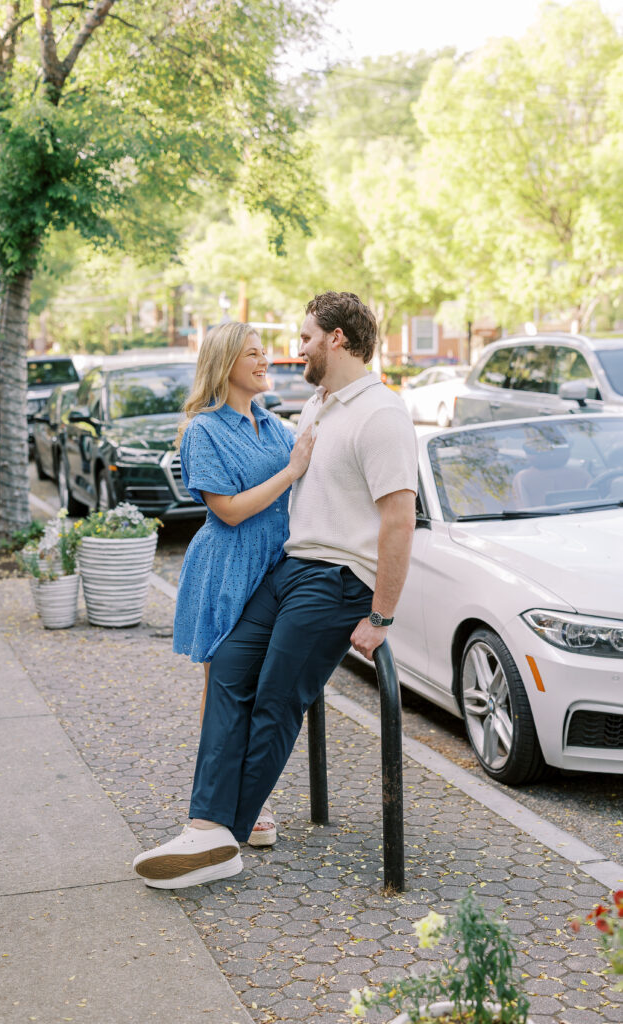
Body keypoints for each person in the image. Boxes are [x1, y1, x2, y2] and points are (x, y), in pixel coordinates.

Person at [133, 291, 417, 889]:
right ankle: (207, 825)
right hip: (289, 568)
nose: (297, 349)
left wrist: (382, 616)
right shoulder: (313, 408)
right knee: (230, 671)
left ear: (338, 338)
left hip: (339, 577)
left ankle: (222, 837)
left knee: (276, 698)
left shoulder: (381, 415)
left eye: (307, 337)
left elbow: (399, 521)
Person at [171, 321, 315, 845]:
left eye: (264, 352)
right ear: (225, 363)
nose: (265, 361)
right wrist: (291, 471)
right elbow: (228, 512)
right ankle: (223, 805)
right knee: (226, 688)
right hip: (227, 567)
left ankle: (245, 796)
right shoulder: (203, 431)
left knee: (265, 685)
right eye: (252, 354)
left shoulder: (274, 425)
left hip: (276, 566)